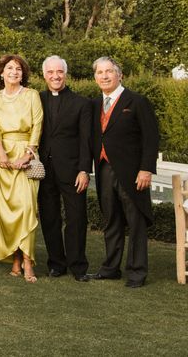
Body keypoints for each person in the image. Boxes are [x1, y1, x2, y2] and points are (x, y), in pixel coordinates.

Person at [89, 56, 160, 288]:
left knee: (136, 223)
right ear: (95, 77)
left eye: (109, 71)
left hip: (132, 173)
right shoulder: (94, 105)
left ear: (119, 75)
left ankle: (137, 272)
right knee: (112, 221)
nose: (105, 76)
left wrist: (146, 169)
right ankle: (110, 269)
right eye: (100, 72)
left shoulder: (137, 101)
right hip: (104, 169)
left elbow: (151, 138)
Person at [0, 54, 43, 283]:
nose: (14, 72)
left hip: (25, 154)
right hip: (2, 159)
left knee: (26, 209)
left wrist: (27, 154)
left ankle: (28, 260)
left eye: (18, 69)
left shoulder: (32, 95)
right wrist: (0, 151)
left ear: (23, 74)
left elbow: (37, 125)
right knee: (6, 212)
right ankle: (15, 259)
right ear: (1, 73)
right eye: (9, 68)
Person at [38, 55, 92, 282]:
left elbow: (86, 140)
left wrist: (84, 170)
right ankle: (56, 264)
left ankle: (78, 266)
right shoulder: (35, 99)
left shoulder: (82, 103)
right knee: (49, 218)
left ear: (66, 74)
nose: (55, 76)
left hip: (72, 170)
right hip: (43, 170)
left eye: (59, 72)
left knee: (77, 218)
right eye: (50, 72)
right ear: (44, 75)